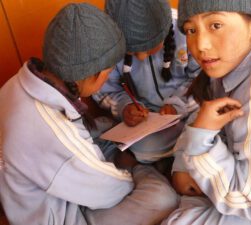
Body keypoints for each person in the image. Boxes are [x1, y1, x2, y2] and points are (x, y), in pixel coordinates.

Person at [0, 3, 178, 225]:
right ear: (94, 75)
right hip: (63, 213)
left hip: (53, 177)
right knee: (162, 198)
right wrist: (135, 168)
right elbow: (111, 191)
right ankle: (141, 166)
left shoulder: (17, 83)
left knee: (103, 126)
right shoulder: (53, 132)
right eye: (109, 71)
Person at [163, 0, 251, 224]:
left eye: (215, 25)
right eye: (191, 30)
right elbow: (206, 115)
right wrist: (183, 162)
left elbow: (245, 200)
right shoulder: (234, 61)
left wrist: (199, 141)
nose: (201, 45)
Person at [93, 0, 200, 163]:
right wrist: (124, 107)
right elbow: (103, 90)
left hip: (191, 111)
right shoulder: (106, 43)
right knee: (143, 149)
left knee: (204, 128)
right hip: (146, 122)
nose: (142, 57)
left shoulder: (186, 29)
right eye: (131, 52)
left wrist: (179, 105)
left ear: (165, 31)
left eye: (149, 47)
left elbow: (203, 80)